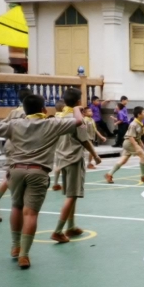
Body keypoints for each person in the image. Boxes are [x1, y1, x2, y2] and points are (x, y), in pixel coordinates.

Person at [0, 95, 83, 269]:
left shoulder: (15, 124)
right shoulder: (51, 124)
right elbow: (78, 122)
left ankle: (15, 246)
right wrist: (76, 108)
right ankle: (24, 255)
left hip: (16, 170)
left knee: (16, 207)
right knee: (30, 213)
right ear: (44, 110)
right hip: (38, 172)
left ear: (25, 110)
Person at [51, 89, 102, 243]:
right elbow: (84, 140)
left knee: (70, 194)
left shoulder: (58, 117)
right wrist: (95, 155)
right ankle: (58, 230)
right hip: (73, 158)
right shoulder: (77, 119)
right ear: (79, 102)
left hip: (61, 158)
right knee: (72, 195)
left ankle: (71, 226)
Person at [0, 88, 31, 222]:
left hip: (10, 145)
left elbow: (1, 126)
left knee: (10, 175)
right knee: (12, 177)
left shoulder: (13, 112)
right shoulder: (29, 112)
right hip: (20, 147)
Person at [105, 106, 144, 184]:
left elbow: (137, 136)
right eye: (143, 112)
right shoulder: (133, 124)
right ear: (139, 114)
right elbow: (131, 136)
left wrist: (141, 144)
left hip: (131, 143)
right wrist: (136, 146)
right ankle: (143, 176)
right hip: (130, 143)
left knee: (123, 160)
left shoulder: (139, 123)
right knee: (143, 156)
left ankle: (109, 174)